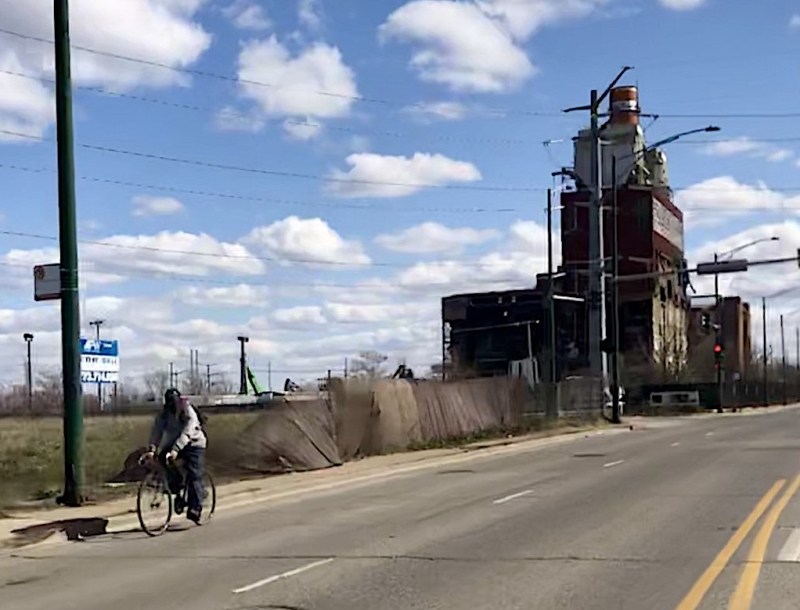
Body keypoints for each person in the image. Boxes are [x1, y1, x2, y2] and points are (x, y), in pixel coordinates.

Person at [147, 388, 207, 524]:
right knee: (162, 459)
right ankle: (176, 483)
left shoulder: (187, 410)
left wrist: (176, 450)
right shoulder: (164, 414)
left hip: (194, 443)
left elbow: (188, 430)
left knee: (194, 475)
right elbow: (157, 431)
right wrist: (152, 449)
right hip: (176, 443)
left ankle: (195, 508)